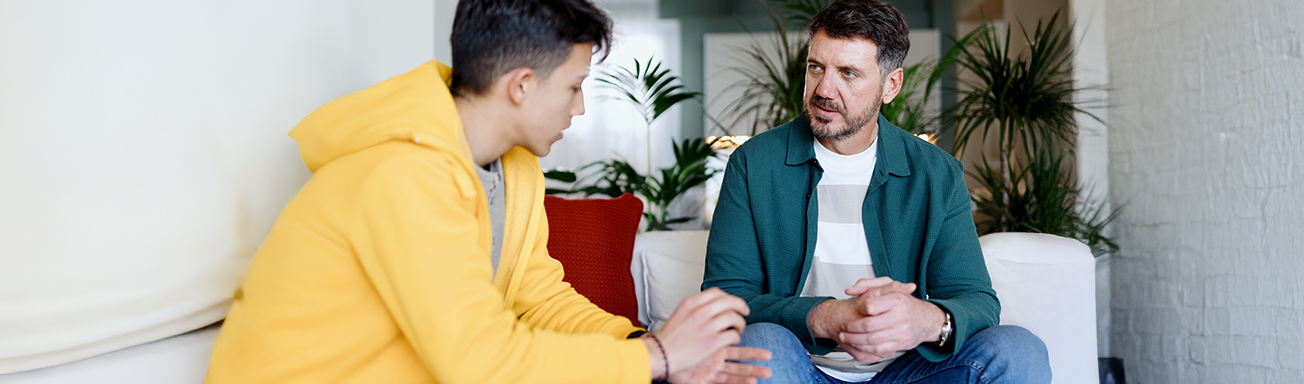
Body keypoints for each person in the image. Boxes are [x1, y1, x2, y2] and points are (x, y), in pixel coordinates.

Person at [206, 0, 770, 383]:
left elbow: (541, 298)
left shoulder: (514, 170)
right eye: (574, 87)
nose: (579, 108)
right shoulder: (401, 176)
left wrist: (648, 346)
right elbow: (481, 361)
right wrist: (658, 357)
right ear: (521, 86)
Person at [700, 1, 1052, 383]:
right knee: (761, 344)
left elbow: (977, 301)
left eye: (848, 73)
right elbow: (727, 299)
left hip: (908, 372)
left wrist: (925, 320)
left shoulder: (937, 173)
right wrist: (824, 316)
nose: (824, 89)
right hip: (799, 367)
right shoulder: (753, 164)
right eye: (816, 67)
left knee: (1019, 349)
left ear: (891, 85)